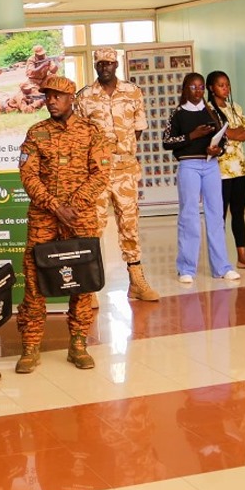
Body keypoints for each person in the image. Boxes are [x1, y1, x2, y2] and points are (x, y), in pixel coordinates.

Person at [16, 75, 111, 373]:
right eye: (48, 95)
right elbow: (28, 174)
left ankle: (78, 344)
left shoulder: (92, 132)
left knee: (81, 280)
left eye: (57, 96)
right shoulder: (36, 133)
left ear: (72, 99)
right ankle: (30, 347)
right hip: (45, 217)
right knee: (34, 280)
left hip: (80, 217)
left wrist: (74, 204)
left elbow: (100, 173)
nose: (51, 100)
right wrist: (55, 205)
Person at [74, 47, 158, 301]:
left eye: (110, 63)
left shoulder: (132, 92)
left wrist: (124, 151)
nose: (105, 67)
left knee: (129, 226)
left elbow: (139, 129)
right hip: (98, 172)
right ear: (96, 65)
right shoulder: (85, 96)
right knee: (93, 227)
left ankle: (137, 281)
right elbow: (80, 135)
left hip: (126, 171)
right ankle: (89, 288)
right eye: (101, 64)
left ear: (117, 64)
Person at [162, 73, 241, 284]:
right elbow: (167, 141)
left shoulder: (212, 111)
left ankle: (222, 266)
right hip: (189, 165)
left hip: (211, 165)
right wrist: (192, 136)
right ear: (185, 89)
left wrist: (217, 150)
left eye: (200, 88)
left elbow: (223, 138)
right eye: (192, 87)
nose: (197, 91)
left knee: (216, 215)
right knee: (189, 216)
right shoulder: (178, 114)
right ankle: (186, 268)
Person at [205, 70, 245, 270]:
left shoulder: (235, 107)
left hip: (240, 168)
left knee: (239, 213)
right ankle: (219, 259)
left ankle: (242, 256)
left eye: (227, 84)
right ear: (211, 88)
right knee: (219, 214)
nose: (225, 88)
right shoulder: (208, 109)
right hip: (220, 170)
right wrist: (235, 133)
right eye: (221, 85)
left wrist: (231, 134)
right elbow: (221, 134)